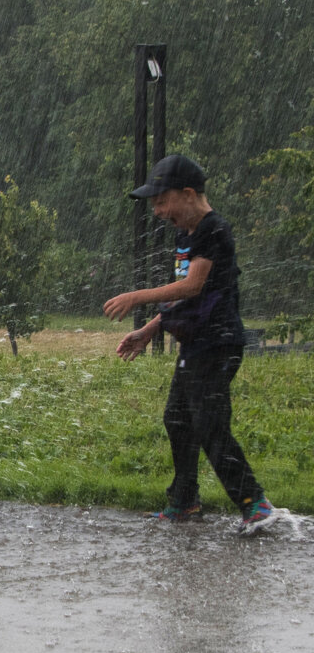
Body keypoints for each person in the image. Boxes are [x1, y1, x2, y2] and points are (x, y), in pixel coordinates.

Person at [103, 154, 278, 536]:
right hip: (196, 345)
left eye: (162, 201)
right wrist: (150, 329)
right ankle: (184, 503)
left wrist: (137, 296)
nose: (159, 212)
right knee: (178, 419)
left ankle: (255, 503)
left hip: (218, 344)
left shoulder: (213, 230)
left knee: (209, 423)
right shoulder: (186, 236)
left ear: (187, 194)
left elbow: (194, 285)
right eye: (154, 205)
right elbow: (184, 299)